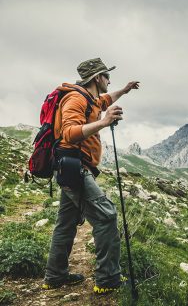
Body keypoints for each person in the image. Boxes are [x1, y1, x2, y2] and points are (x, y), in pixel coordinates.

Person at [42, 58, 139, 294]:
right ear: (97, 78)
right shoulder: (76, 99)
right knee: (106, 216)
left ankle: (54, 276)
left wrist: (124, 91)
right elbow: (69, 134)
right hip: (75, 168)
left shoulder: (90, 99)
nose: (109, 80)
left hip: (71, 168)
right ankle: (108, 280)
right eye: (107, 76)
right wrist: (104, 123)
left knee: (65, 224)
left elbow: (105, 100)